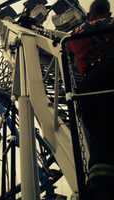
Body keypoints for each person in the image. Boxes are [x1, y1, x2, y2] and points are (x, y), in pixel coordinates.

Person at [68, 0, 114, 199]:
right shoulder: (110, 24)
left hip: (92, 83)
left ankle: (100, 185)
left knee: (98, 135)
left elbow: (70, 47)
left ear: (89, 14)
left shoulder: (80, 30)